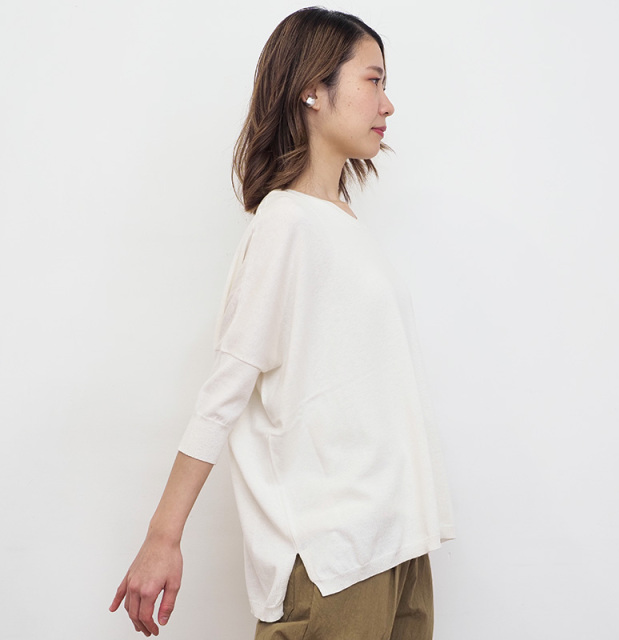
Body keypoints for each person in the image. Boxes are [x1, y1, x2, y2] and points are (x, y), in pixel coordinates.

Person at [109, 6, 455, 639]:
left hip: (398, 545)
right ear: (312, 90)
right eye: (373, 80)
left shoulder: (342, 225)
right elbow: (225, 389)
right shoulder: (286, 224)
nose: (388, 103)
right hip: (337, 556)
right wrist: (163, 536)